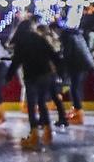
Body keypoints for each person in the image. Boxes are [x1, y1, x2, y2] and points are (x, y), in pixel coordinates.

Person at [10, 16, 61, 152]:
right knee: (42, 103)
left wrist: (8, 76)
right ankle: (47, 130)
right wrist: (59, 71)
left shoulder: (21, 41)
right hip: (45, 73)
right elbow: (53, 54)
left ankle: (34, 135)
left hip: (31, 76)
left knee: (32, 105)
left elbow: (16, 61)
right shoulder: (39, 38)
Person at [55, 20, 94, 126]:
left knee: (74, 89)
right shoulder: (74, 35)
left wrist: (59, 62)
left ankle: (78, 112)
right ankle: (76, 110)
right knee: (75, 88)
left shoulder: (67, 37)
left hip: (78, 65)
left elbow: (67, 54)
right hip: (82, 64)